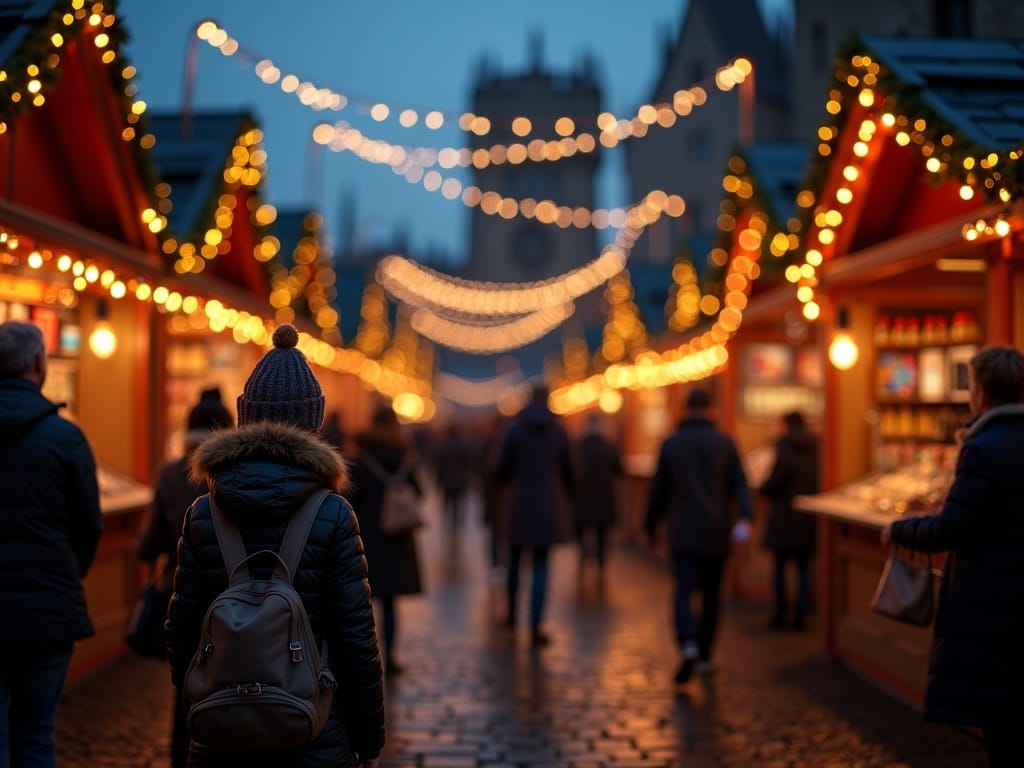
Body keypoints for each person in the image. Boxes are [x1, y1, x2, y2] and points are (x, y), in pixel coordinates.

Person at [166, 324, 384, 767]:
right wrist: (369, 740)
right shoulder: (334, 513)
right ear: (314, 422)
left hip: (222, 734)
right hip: (313, 728)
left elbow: (182, 630)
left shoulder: (204, 511)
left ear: (246, 415)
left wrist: (205, 707)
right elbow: (355, 640)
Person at [881, 345, 1024, 768]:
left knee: (1002, 726)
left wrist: (899, 529)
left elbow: (950, 528)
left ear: (979, 393)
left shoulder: (981, 448)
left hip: (992, 607)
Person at [0, 320, 103, 766]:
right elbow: (89, 525)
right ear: (40, 364)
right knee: (35, 732)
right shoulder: (65, 438)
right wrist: (65, 571)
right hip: (47, 609)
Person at [137, 386, 233, 768]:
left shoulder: (170, 474)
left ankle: (185, 756)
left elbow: (149, 543)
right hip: (230, 597)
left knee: (186, 686)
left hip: (184, 595)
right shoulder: (230, 473)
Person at [645, 387, 752, 684]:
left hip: (681, 530)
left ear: (684, 408)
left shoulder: (671, 444)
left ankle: (687, 643)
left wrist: (650, 528)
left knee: (683, 590)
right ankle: (706, 654)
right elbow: (739, 484)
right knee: (712, 595)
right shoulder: (725, 443)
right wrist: (745, 517)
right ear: (712, 409)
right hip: (716, 531)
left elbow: (658, 492)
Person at [496, 382, 574, 647]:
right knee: (541, 567)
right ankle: (536, 624)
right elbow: (571, 472)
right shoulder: (559, 432)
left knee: (515, 563)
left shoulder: (514, 430)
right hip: (549, 507)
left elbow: (500, 469)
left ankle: (512, 614)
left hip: (519, 506)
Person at [348, 404, 423, 677]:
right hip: (397, 536)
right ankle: (391, 657)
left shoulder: (360, 457)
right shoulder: (405, 455)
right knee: (391, 604)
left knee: (362, 601)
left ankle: (367, 657)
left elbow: (351, 497)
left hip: (366, 535)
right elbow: (419, 491)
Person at [758, 410, 819, 631]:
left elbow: (774, 483)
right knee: (804, 568)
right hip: (808, 517)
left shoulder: (783, 449)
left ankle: (780, 614)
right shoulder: (818, 447)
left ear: (786, 425)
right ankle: (801, 615)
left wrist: (762, 490)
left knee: (780, 568)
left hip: (783, 517)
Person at [573, 413, 624, 581]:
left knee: (580, 529)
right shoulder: (609, 447)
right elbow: (619, 470)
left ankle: (585, 553)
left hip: (582, 498)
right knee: (603, 534)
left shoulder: (578, 448)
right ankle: (601, 564)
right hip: (604, 497)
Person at [433, 422, 474, 532]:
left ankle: (448, 523)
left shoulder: (444, 445)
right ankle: (456, 524)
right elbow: (468, 464)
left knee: (447, 502)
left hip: (447, 480)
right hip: (460, 479)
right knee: (457, 503)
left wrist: (438, 480)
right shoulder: (463, 445)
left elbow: (440, 465)